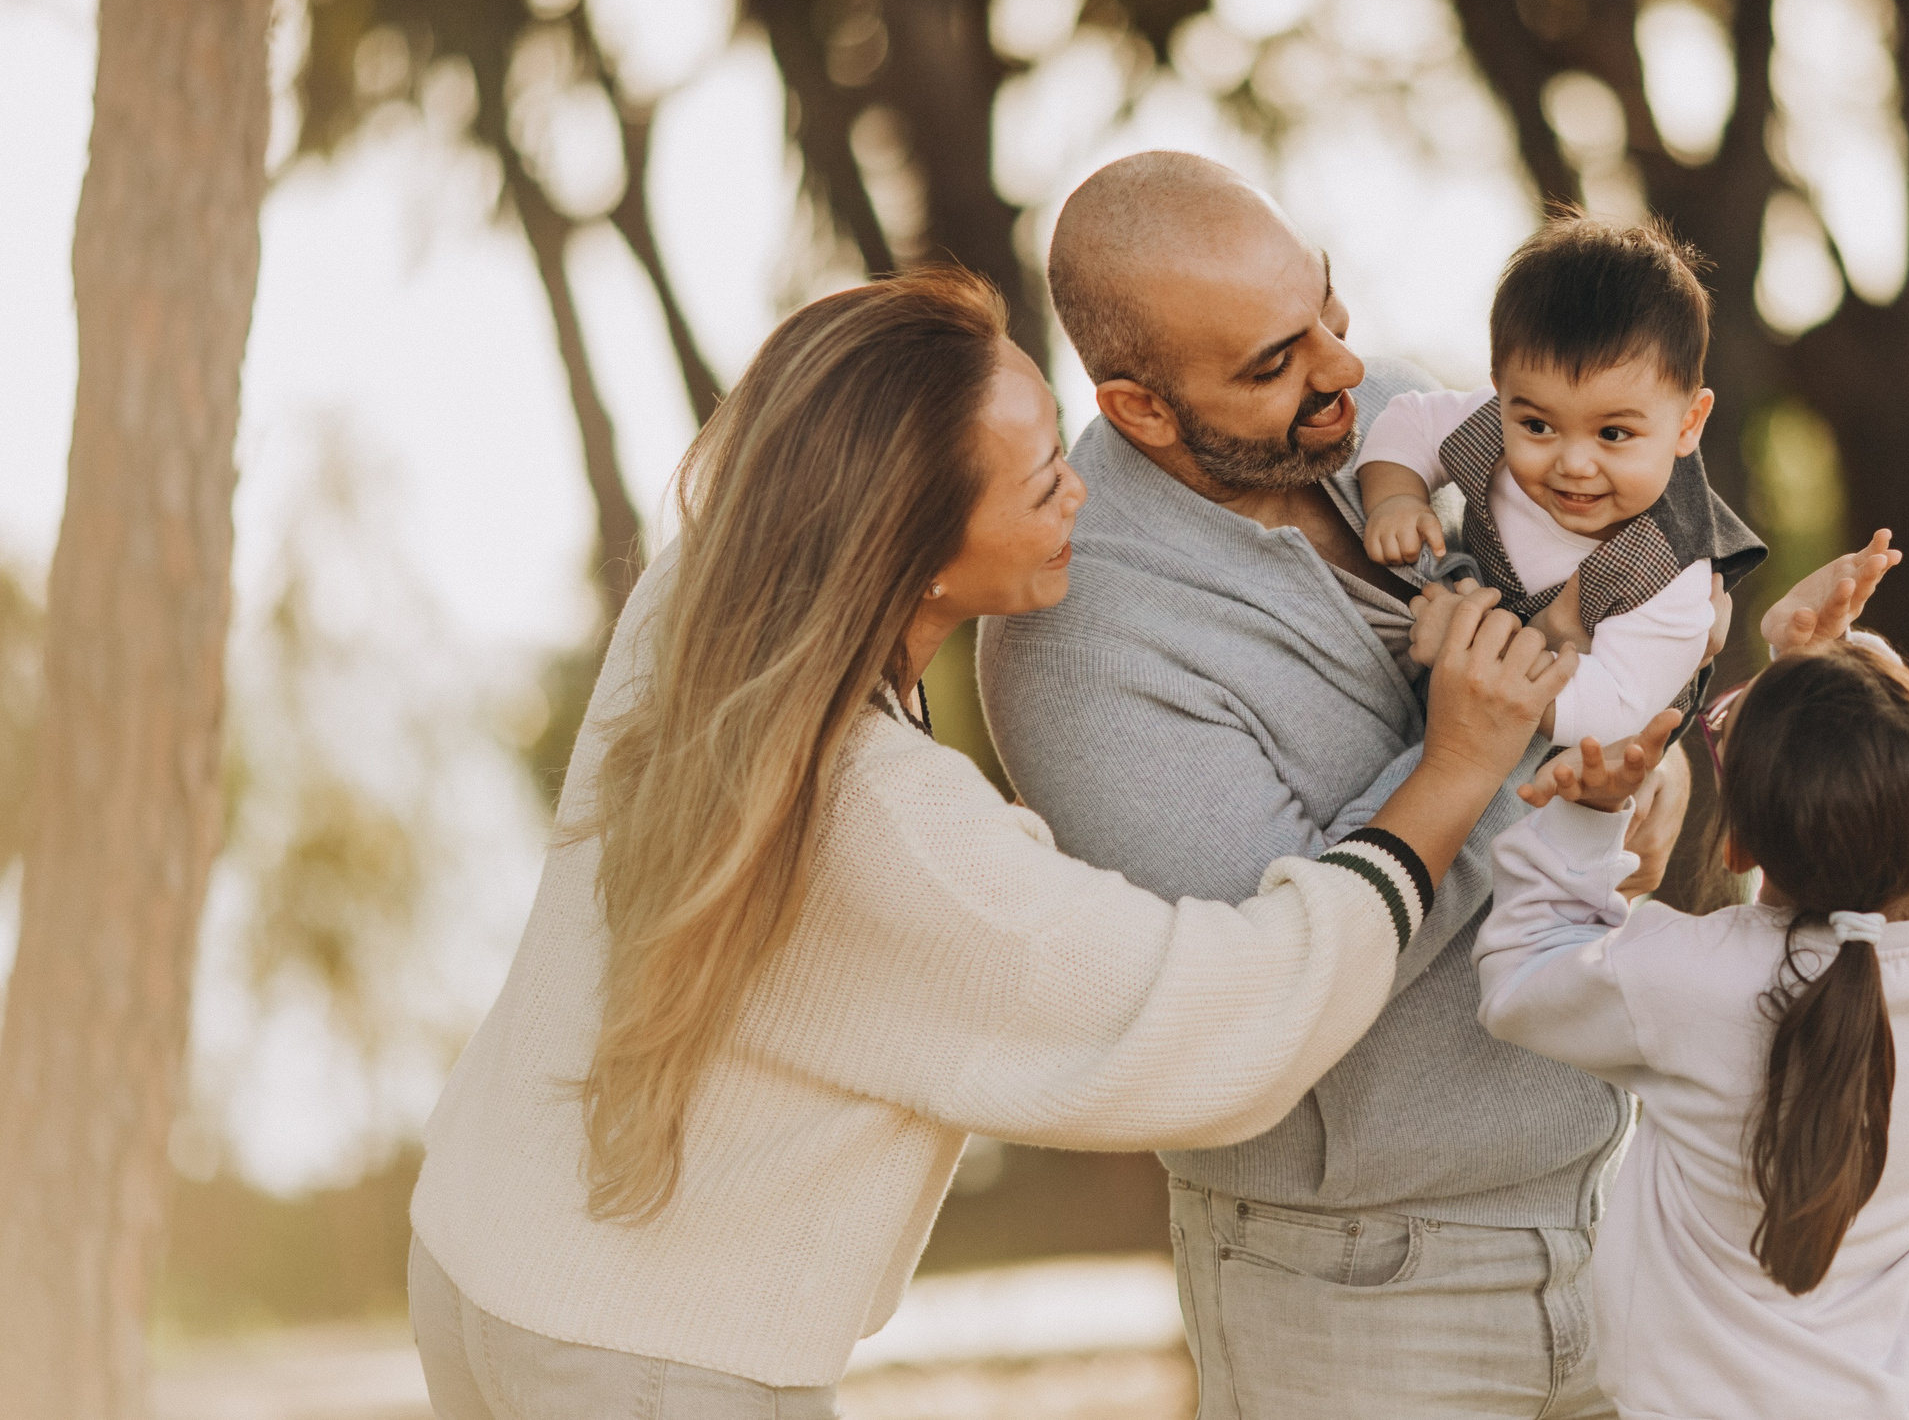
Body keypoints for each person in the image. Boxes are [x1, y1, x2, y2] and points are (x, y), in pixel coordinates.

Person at [405, 268, 1578, 1418]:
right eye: (1041, 483)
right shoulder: (890, 830)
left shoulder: (706, 606)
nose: (1084, 498)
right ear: (909, 554)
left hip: (482, 1257)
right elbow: (1222, 1013)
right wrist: (1458, 772)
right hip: (654, 1361)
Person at [977, 151, 1900, 1419]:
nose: (1341, 370)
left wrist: (1639, 783)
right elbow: (1259, 1003)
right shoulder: (1079, 636)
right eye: (1272, 363)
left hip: (1609, 1213)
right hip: (1360, 1284)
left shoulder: (1403, 427)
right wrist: (1484, 759)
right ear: (1139, 409)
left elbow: (1622, 620)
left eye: (1327, 311)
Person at [1476, 631, 1909, 1420]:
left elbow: (1522, 972)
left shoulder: (1687, 978)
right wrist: (1840, 651)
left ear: (1735, 844)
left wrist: (1589, 818)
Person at [1357, 215, 1768, 749]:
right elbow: (1409, 421)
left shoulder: (1670, 576)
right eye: (1538, 426)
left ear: (1688, 424)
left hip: (1561, 771)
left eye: (1613, 433)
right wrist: (1395, 496)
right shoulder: (1497, 422)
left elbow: (1612, 708)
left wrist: (1476, 651)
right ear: (1501, 392)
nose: (1573, 462)